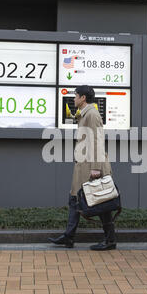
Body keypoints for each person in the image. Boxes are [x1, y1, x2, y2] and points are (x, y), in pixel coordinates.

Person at [48, 85, 116, 251]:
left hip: (91, 167)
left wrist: (96, 168)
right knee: (75, 200)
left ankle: (110, 240)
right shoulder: (86, 114)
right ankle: (69, 237)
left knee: (101, 202)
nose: (74, 98)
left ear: (83, 98)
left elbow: (97, 142)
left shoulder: (91, 114)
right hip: (84, 166)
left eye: (76, 95)